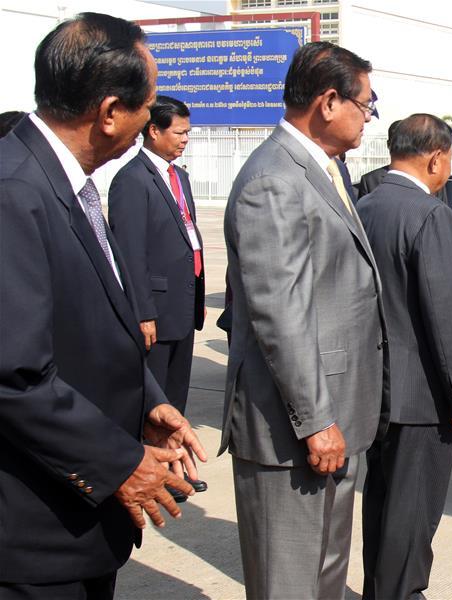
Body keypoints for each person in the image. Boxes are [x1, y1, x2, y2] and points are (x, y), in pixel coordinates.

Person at [0, 12, 206, 598]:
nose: (151, 117)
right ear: (111, 111)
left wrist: (149, 401)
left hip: (83, 526)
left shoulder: (72, 184)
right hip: (36, 538)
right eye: (146, 105)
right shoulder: (14, 194)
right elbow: (14, 376)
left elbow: (87, 329)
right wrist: (121, 463)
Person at [220, 41, 387, 599]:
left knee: (326, 578)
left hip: (334, 413)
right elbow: (280, 315)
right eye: (367, 104)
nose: (370, 117)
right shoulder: (275, 179)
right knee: (289, 584)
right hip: (295, 429)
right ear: (330, 102)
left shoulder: (321, 169)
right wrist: (317, 422)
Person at [357, 114, 452, 600]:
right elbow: (447, 313)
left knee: (383, 502)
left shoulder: (363, 205)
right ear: (436, 157)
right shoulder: (429, 214)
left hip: (376, 386)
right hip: (424, 393)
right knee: (412, 510)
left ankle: (380, 589)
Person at [108, 96, 207, 502]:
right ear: (154, 130)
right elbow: (130, 254)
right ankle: (149, 472)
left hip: (183, 305)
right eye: (179, 132)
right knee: (154, 399)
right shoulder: (132, 180)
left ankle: (175, 470)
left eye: (187, 132)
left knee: (176, 398)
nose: (185, 139)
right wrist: (143, 311)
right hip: (156, 311)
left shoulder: (177, 177)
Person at [356, 119, 401, 198]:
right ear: (388, 144)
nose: (402, 147)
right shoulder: (370, 180)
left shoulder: (424, 178)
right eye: (397, 143)